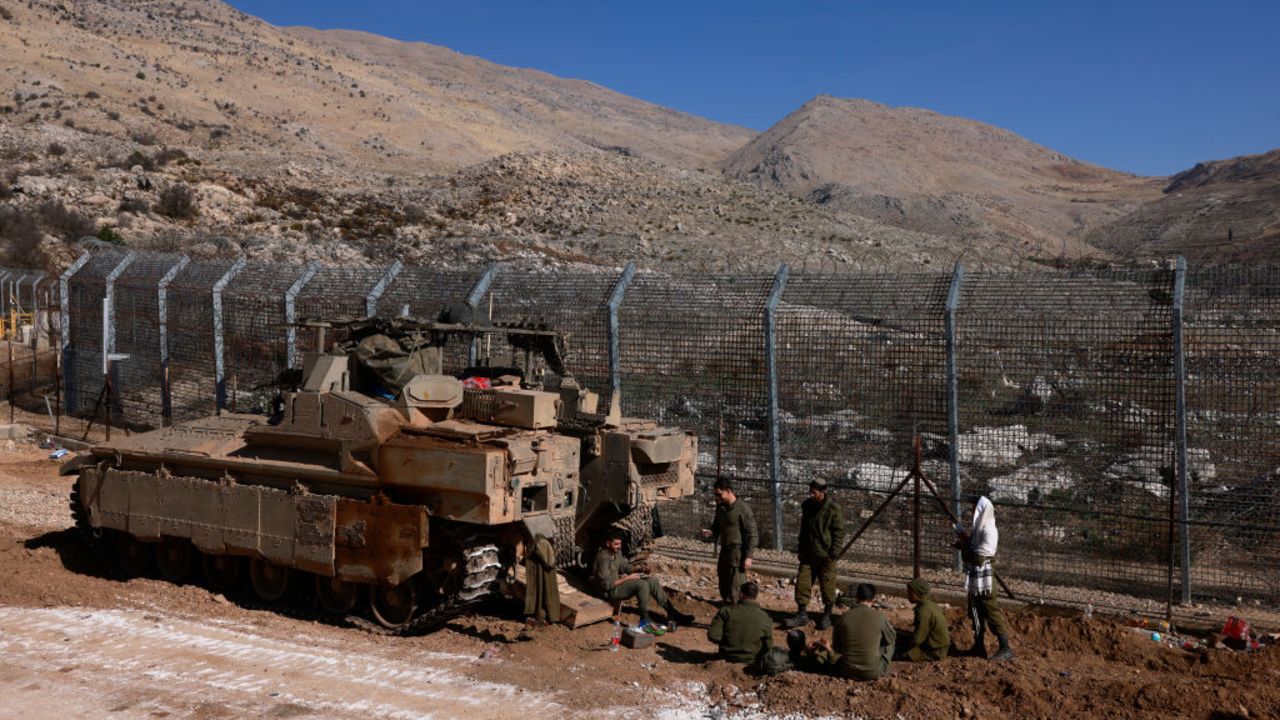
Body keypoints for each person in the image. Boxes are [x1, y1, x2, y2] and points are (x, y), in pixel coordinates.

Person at [592, 530, 693, 633]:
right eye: (616, 544)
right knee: (641, 584)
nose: (619, 547)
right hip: (609, 591)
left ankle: (673, 614)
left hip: (617, 585)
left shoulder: (616, 553)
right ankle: (644, 619)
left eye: (620, 544)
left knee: (651, 580)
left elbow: (625, 567)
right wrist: (627, 578)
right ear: (608, 543)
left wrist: (641, 569)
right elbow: (606, 585)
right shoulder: (603, 558)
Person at [955, 496, 1013, 661]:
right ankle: (978, 646)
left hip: (985, 580)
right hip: (975, 579)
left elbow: (979, 558)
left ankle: (1005, 648)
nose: (974, 512)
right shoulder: (979, 530)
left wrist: (964, 547)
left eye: (976, 509)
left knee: (991, 612)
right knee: (975, 612)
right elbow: (974, 551)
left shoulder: (989, 531)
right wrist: (963, 543)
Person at [784, 478, 845, 630]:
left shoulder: (833, 509)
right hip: (808, 555)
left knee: (828, 587)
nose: (811, 495)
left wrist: (833, 553)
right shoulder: (807, 506)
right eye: (810, 492)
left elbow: (839, 532)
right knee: (802, 585)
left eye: (814, 492)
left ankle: (827, 616)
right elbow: (803, 530)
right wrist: (801, 549)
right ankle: (802, 614)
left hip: (825, 556)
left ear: (823, 492)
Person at [809, 582, 895, 680]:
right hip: (873, 672)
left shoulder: (843, 618)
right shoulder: (880, 617)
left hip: (847, 671)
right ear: (874, 599)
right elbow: (891, 639)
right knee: (890, 642)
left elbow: (838, 648)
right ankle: (879, 667)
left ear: (856, 597)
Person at [701, 478, 757, 605]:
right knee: (724, 580)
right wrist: (710, 532)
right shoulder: (721, 508)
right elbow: (716, 527)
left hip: (737, 553)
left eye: (719, 494)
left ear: (728, 491)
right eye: (715, 494)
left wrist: (749, 556)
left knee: (736, 583)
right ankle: (727, 605)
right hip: (725, 550)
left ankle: (737, 609)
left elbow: (752, 535)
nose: (717, 497)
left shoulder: (743, 509)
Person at [706, 581, 774, 665]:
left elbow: (713, 635)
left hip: (727, 658)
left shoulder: (726, 611)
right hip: (751, 661)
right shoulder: (766, 618)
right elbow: (768, 646)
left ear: (741, 594)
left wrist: (729, 643)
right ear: (755, 596)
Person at [899, 577, 949, 662]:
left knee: (897, 651)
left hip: (934, 651)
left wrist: (902, 646)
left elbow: (917, 639)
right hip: (938, 646)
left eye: (910, 593)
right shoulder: (930, 605)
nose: (908, 595)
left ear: (917, 593)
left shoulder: (923, 611)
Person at [522, 533, 560, 626]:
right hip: (549, 578)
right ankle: (552, 617)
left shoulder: (538, 548)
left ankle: (540, 618)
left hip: (540, 576)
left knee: (540, 596)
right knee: (550, 596)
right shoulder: (548, 548)